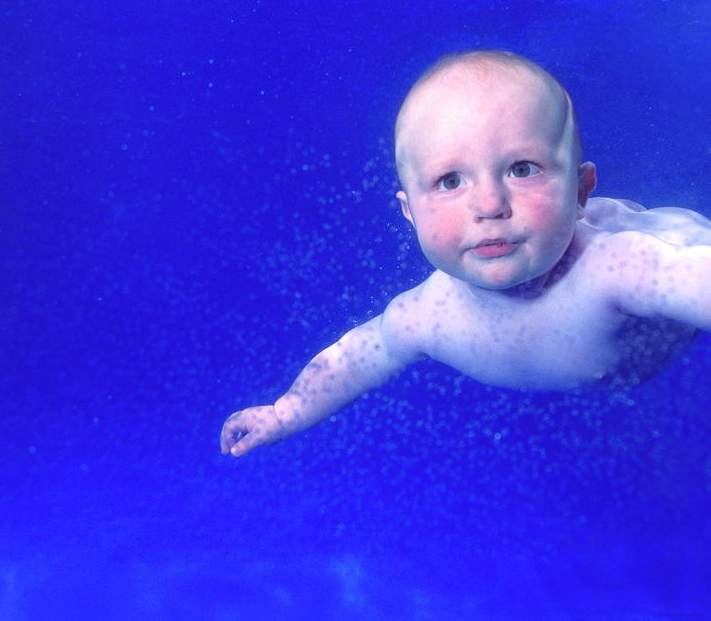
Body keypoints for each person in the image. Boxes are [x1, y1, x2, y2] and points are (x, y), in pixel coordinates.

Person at [220, 50, 710, 458]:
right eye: (450, 181)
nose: (490, 205)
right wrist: (287, 411)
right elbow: (360, 357)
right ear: (409, 213)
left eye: (522, 169)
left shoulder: (618, 268)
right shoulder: (428, 316)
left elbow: (690, 278)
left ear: (580, 189)